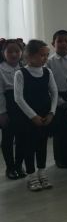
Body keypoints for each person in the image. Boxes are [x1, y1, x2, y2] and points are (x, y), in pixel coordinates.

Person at [14, 40, 58, 191]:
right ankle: (31, 175)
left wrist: (52, 112)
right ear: (30, 56)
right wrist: (33, 116)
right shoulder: (21, 73)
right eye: (42, 55)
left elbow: (54, 93)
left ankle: (42, 172)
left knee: (41, 145)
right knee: (29, 146)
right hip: (28, 118)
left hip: (45, 115)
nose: (45, 58)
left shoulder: (47, 72)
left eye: (47, 55)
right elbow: (18, 98)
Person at [47, 30, 67, 168]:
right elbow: (48, 85)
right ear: (53, 43)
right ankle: (60, 159)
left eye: (66, 41)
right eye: (59, 41)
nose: (63, 43)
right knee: (59, 131)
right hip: (57, 98)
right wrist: (59, 101)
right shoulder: (49, 62)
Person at [0, 40, 26, 180]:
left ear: (22, 52)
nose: (14, 54)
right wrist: (2, 112)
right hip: (8, 105)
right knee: (8, 139)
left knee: (22, 137)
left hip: (23, 106)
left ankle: (19, 165)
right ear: (3, 53)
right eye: (10, 51)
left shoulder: (24, 67)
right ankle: (10, 167)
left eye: (17, 51)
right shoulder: (0, 69)